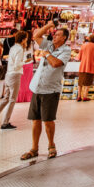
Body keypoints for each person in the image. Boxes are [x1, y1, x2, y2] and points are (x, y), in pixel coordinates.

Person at [22, 20, 72, 160]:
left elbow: (56, 63)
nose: (55, 36)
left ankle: (51, 145)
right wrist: (49, 26)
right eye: (54, 34)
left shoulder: (66, 51)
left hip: (51, 90)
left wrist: (46, 54)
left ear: (64, 38)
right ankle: (34, 148)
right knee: (35, 120)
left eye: (58, 35)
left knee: (48, 120)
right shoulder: (48, 45)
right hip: (38, 87)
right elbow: (36, 36)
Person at [0, 30, 29, 129]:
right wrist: (25, 61)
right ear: (23, 39)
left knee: (6, 98)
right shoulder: (20, 49)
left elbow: (11, 61)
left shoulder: (13, 48)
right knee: (12, 99)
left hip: (9, 74)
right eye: (26, 38)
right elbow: (17, 64)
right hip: (15, 74)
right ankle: (5, 123)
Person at [76, 33, 94, 102]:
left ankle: (79, 96)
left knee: (80, 81)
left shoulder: (83, 45)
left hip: (82, 65)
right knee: (88, 81)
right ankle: (85, 97)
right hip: (90, 65)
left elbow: (79, 57)